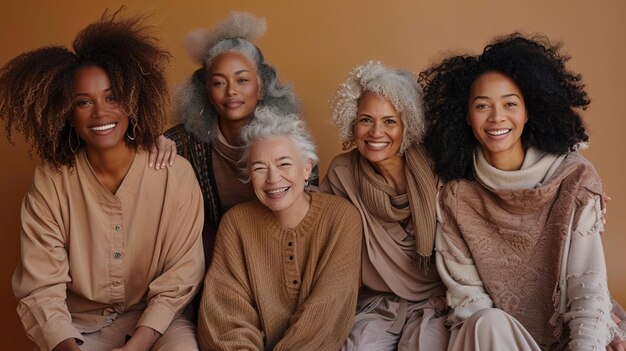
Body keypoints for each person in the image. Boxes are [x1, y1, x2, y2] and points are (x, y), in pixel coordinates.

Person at [1, 10, 204, 351]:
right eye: (84, 102)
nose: (100, 113)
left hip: (154, 325)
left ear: (132, 99)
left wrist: (136, 345)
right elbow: (42, 288)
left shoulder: (174, 175)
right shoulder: (51, 183)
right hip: (76, 328)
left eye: (112, 97)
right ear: (66, 112)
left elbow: (180, 276)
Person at [420, 33, 626, 350]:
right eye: (482, 105)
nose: (497, 117)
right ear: (466, 116)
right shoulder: (456, 196)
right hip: (497, 340)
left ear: (529, 111)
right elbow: (470, 302)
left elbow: (588, 292)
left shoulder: (574, 179)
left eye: (510, 104)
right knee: (485, 322)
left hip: (572, 337)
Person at [197, 107, 362, 350]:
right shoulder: (236, 223)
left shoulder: (341, 218)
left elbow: (328, 312)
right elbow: (225, 312)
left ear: (307, 168)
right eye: (259, 168)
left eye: (284, 164)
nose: (273, 178)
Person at [321, 61, 449, 350]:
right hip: (377, 304)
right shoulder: (342, 174)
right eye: (366, 119)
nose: (376, 132)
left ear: (408, 125)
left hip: (438, 303)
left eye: (390, 121)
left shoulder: (437, 167)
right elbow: (326, 243)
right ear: (352, 123)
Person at [160, 12, 302, 269]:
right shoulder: (183, 141)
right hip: (211, 263)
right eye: (218, 83)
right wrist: (155, 145)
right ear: (206, 92)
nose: (231, 91)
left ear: (261, 87)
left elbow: (308, 206)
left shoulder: (289, 140)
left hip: (278, 259)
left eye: (242, 80)